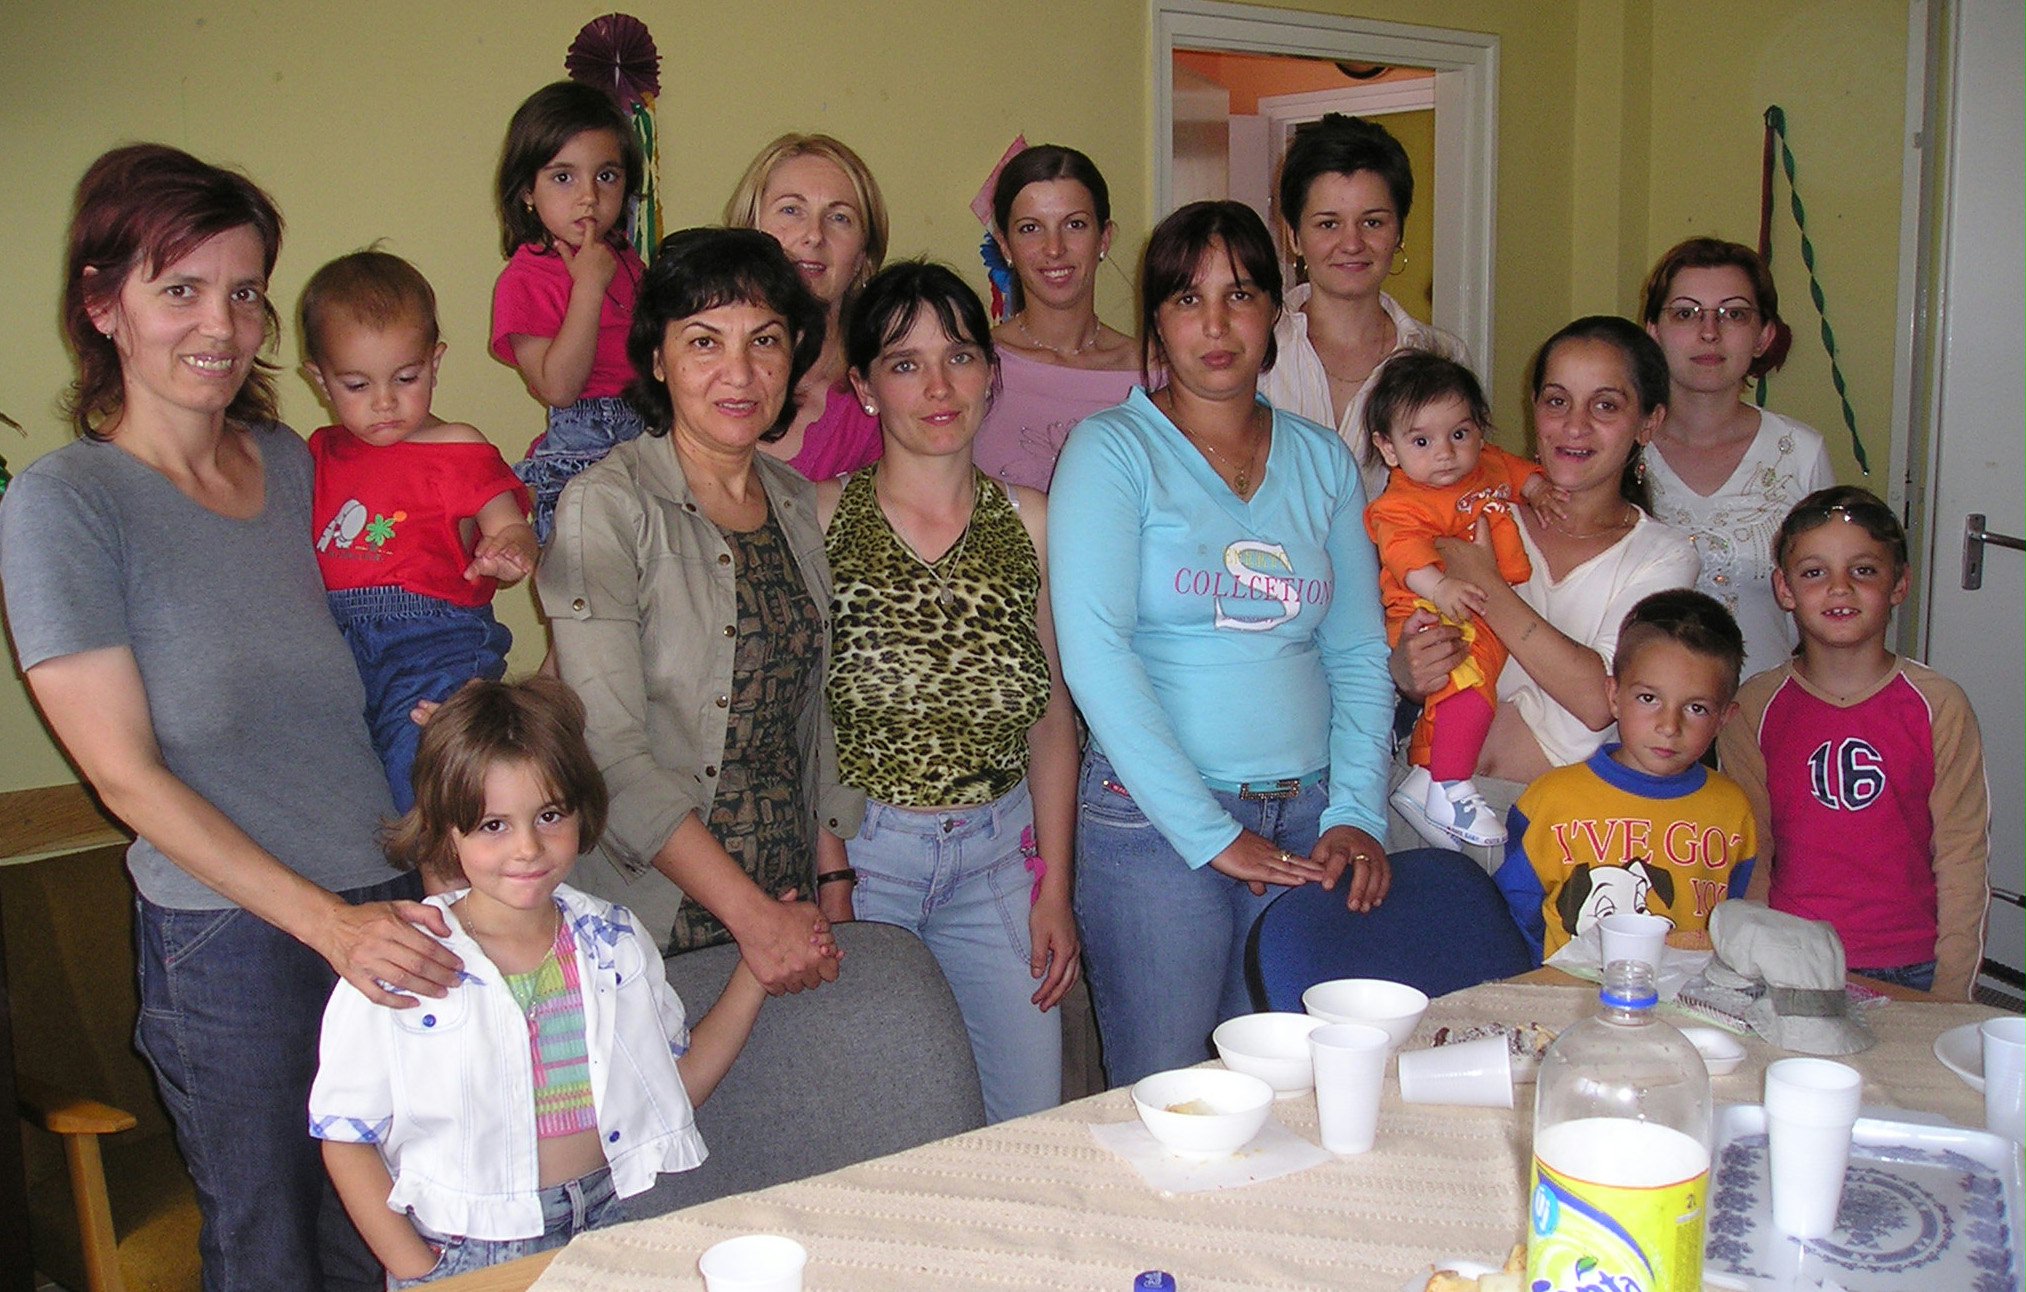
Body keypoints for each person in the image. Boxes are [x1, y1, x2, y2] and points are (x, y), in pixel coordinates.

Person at [0, 144, 463, 1290]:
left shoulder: (301, 465)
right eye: (180, 289)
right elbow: (125, 776)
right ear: (103, 304)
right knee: (273, 1254)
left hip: (386, 894)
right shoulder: (67, 505)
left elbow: (393, 631)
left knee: (405, 1238)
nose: (222, 322)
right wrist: (328, 925)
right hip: (233, 940)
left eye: (245, 290)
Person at [1049, 200, 1394, 1088]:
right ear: (1157, 320)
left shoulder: (1322, 461)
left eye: (1239, 295)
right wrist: (1211, 834)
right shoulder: (1113, 449)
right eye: (1187, 299)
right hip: (1155, 826)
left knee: (1288, 1092)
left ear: (1276, 313)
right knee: (1167, 1091)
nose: (1215, 324)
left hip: (1310, 820)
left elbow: (1358, 652)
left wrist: (1358, 809)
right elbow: (1095, 655)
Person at [311, 678, 765, 1285]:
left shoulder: (614, 941)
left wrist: (757, 970)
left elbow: (673, 1083)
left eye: (549, 815)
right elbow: (345, 1136)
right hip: (464, 1251)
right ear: (448, 829)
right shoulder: (405, 958)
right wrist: (418, 1270)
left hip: (609, 1218)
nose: (528, 848)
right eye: (493, 825)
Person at [538, 226, 863, 993]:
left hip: (785, 904)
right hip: (656, 913)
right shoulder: (606, 508)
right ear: (659, 358)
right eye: (705, 342)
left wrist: (830, 881)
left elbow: (809, 720)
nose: (740, 373)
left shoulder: (793, 503)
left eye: (766, 341)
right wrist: (752, 917)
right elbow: (609, 754)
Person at [816, 261, 1079, 1122]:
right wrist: (828, 883)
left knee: (1029, 1121)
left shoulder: (1034, 521)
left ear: (991, 373)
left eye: (961, 357)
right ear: (862, 385)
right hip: (866, 864)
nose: (938, 386)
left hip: (997, 868)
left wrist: (1054, 891)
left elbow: (1050, 724)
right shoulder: (817, 520)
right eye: (904, 363)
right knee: (880, 1122)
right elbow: (798, 726)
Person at [1388, 317, 1701, 872]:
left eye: (1605, 406)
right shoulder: (1476, 509)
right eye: (1557, 401)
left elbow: (1598, 698)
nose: (1574, 426)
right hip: (1421, 804)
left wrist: (1483, 580)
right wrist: (1407, 670)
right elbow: (1404, 629)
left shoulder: (1661, 556)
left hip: (1554, 830)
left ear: (1649, 423)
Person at [1718, 487, 1989, 999]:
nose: (1839, 589)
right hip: (1791, 954)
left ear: (1899, 584)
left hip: (1909, 961)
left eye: (1863, 570)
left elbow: (1961, 856)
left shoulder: (1939, 705)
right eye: (1815, 573)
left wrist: (1951, 993)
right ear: (1784, 589)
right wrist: (1746, 959)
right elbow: (1753, 848)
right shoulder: (1754, 706)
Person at [301, 250, 536, 811]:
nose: (385, 403)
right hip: (338, 647)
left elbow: (513, 526)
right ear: (320, 380)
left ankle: (458, 891)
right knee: (353, 790)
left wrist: (510, 549)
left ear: (435, 363)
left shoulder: (458, 446)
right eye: (357, 385)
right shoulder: (320, 453)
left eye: (406, 378)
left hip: (435, 646)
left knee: (430, 779)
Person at [1495, 590, 1757, 963]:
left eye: (1696, 708)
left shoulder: (1733, 809)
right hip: (1569, 999)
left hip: (1683, 1004)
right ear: (1614, 695)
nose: (1669, 726)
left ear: (1723, 718)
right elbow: (1520, 913)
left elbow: (1731, 913)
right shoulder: (1550, 800)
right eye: (1649, 699)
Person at [1361, 351, 1555, 848]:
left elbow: (1516, 471)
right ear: (1388, 448)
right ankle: (1450, 786)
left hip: (1482, 606)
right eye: (1421, 441)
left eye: (1460, 434)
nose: (1445, 453)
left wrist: (1537, 488)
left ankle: (1426, 776)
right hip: (1428, 611)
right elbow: (1404, 556)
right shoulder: (1400, 503)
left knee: (1466, 695)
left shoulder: (1487, 465)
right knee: (1466, 694)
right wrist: (1440, 587)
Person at [1639, 237, 1834, 678]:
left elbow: (1828, 610)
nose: (1710, 332)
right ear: (1653, 331)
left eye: (1734, 314)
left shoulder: (1801, 453)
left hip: (1765, 718)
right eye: (1686, 314)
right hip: (1639, 726)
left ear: (1764, 336)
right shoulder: (1618, 448)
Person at [1260, 113, 1468, 502]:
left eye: (1372, 222)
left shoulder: (1440, 356)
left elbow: (1464, 494)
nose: (1352, 244)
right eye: (1328, 224)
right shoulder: (1254, 351)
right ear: (1294, 236)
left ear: (1399, 231)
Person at [490, 80, 648, 543]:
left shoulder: (627, 259)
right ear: (526, 191)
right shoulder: (524, 280)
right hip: (585, 446)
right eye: (564, 177)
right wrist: (588, 287)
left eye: (607, 176)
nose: (589, 197)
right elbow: (558, 386)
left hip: (652, 438)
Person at [973, 144, 1141, 490]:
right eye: (1031, 228)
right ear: (1004, 245)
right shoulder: (973, 365)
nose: (1054, 248)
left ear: (1104, 238)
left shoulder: (1152, 374)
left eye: (1075, 225)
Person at [725, 133, 889, 480]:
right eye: (791, 210)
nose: (814, 234)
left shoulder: (880, 404)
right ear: (750, 228)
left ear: (862, 256)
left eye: (840, 217)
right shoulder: (690, 376)